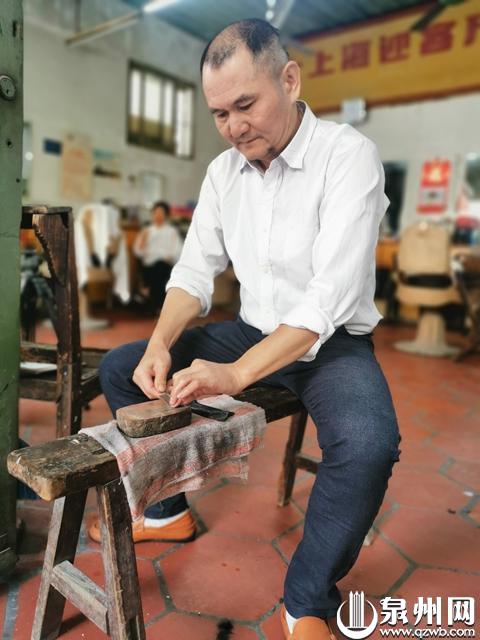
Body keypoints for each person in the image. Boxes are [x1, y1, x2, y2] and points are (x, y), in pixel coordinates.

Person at [88, 19, 400, 639]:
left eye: (245, 104)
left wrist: (234, 375)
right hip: (253, 332)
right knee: (121, 367)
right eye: (219, 113)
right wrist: (160, 343)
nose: (233, 126)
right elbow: (192, 272)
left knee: (368, 444)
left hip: (330, 345)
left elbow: (327, 299)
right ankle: (168, 511)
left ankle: (307, 601)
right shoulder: (223, 174)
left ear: (290, 80)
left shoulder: (347, 156)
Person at [133, 200, 183, 312]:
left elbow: (177, 251)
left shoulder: (172, 231)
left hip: (165, 264)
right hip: (148, 265)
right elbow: (138, 252)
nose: (158, 216)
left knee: (160, 267)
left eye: (161, 213)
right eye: (156, 213)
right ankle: (157, 305)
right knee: (155, 270)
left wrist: (170, 257)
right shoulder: (147, 231)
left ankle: (152, 301)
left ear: (166, 215)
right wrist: (144, 240)